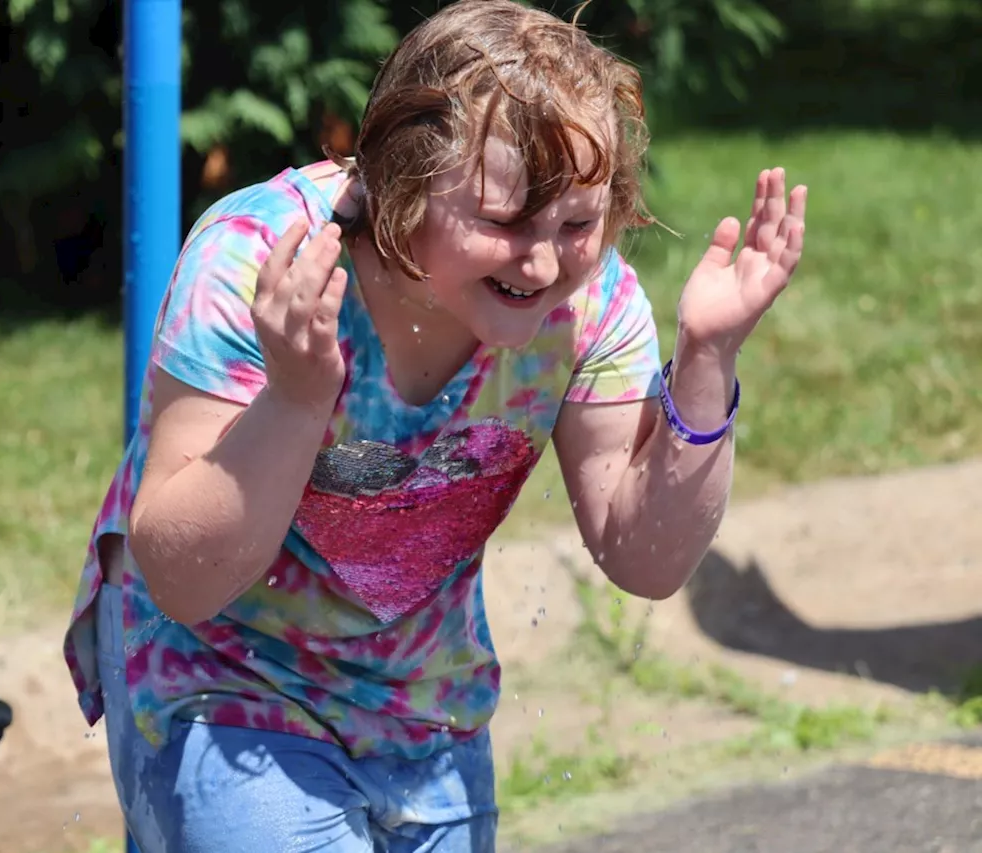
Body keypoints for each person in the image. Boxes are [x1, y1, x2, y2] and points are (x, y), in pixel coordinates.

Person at [63, 0, 807, 849]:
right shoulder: (264, 264)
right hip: (222, 678)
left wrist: (707, 362)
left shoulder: (589, 303)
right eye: (501, 221)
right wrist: (297, 401)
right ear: (400, 182)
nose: (540, 260)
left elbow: (644, 557)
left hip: (421, 703)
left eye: (576, 223)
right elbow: (182, 581)